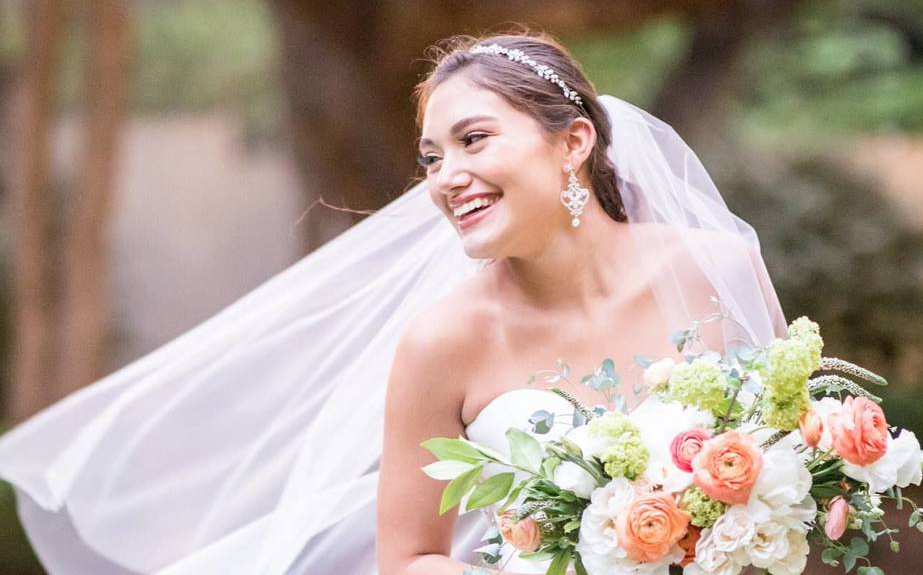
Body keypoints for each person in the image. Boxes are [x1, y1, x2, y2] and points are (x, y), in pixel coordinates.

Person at [0, 30, 785, 574]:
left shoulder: (721, 269)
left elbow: (791, 476)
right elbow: (406, 558)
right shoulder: (443, 341)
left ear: (574, 143)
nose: (445, 177)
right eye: (432, 157)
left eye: (474, 141)